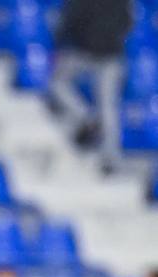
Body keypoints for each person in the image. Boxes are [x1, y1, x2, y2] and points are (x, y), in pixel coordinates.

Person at [47, 0, 133, 174]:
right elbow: (128, 21)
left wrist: (61, 42)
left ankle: (88, 120)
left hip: (89, 51)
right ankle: (108, 154)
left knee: (58, 83)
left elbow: (68, 20)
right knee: (107, 106)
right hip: (105, 53)